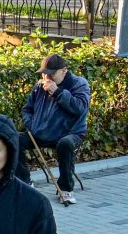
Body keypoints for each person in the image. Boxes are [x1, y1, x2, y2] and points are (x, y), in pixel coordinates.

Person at [20, 53, 91, 205]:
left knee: (65, 144)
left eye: (51, 74)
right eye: (45, 73)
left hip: (69, 133)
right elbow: (27, 109)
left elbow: (80, 108)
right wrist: (31, 124)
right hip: (40, 132)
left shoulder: (78, 84)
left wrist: (58, 92)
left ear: (64, 71)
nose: (47, 77)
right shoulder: (39, 86)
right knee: (12, 140)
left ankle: (65, 189)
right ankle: (25, 181)